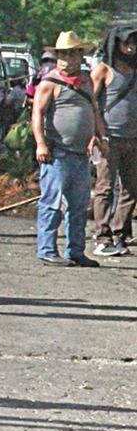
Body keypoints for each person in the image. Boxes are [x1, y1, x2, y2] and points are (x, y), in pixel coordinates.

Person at [32, 31, 106, 268]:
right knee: (52, 203)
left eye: (72, 54)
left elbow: (94, 109)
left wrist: (100, 136)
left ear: (80, 56)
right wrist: (41, 143)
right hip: (58, 154)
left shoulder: (87, 80)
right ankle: (47, 249)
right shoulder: (49, 83)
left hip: (81, 154)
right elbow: (37, 114)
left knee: (79, 205)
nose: (67, 60)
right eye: (63, 55)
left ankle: (76, 250)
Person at [89, 25, 137, 257]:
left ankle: (119, 234)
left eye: (135, 42)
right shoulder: (103, 70)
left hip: (133, 138)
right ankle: (102, 236)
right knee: (105, 188)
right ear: (116, 44)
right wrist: (95, 135)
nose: (131, 47)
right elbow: (91, 103)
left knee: (131, 189)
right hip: (109, 138)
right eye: (127, 42)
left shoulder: (135, 71)